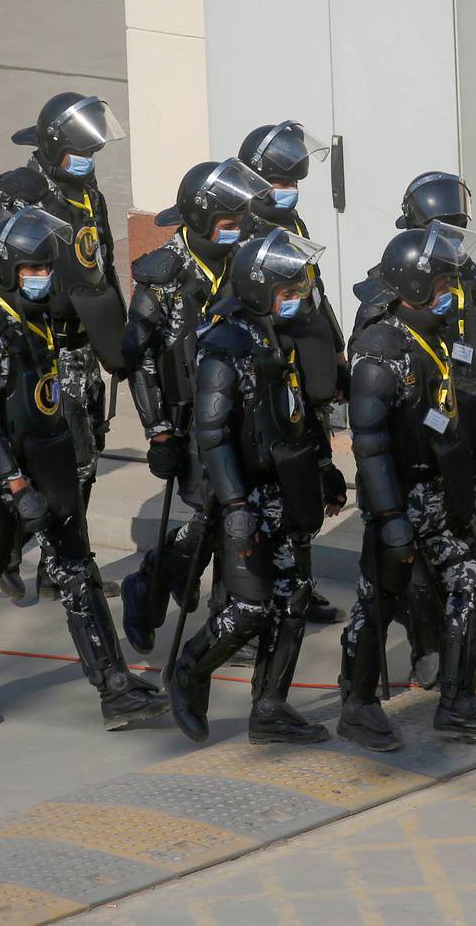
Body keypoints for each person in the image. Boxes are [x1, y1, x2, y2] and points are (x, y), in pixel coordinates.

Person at [0, 208, 167, 728]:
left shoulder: (39, 318)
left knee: (77, 575)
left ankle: (113, 686)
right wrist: (15, 485)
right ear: (6, 270)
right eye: (31, 270)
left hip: (53, 461)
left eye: (47, 268)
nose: (42, 279)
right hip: (2, 476)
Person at [337, 224, 476, 751]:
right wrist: (390, 519)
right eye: (440, 285)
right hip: (399, 497)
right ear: (412, 289)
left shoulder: (435, 335)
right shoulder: (379, 350)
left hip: (440, 491)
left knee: (473, 581)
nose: (450, 295)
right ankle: (357, 704)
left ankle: (457, 702)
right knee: (379, 599)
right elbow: (368, 445)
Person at [168, 229, 342, 745]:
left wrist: (324, 468)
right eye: (287, 292)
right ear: (260, 289)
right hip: (243, 492)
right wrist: (236, 503)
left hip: (284, 486)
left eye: (299, 291)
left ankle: (269, 707)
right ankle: (190, 672)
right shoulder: (225, 344)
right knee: (250, 607)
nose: (297, 300)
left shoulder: (280, 334)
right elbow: (212, 434)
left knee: (293, 599)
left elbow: (302, 412)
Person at [119, 159, 274, 654]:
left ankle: (230, 618)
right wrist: (158, 431)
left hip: (244, 409)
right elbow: (138, 357)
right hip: (191, 416)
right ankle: (149, 582)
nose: (240, 231)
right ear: (202, 221)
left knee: (239, 510)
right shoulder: (165, 274)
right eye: (230, 223)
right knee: (210, 518)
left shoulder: (249, 260)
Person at [0, 93, 130, 601]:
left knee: (86, 458)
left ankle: (62, 563)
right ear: (52, 144)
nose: (88, 159)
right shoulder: (21, 193)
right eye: (79, 149)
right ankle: (6, 553)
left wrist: (119, 337)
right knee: (49, 461)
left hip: (83, 348)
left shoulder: (88, 191)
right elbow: (0, 273)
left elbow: (104, 266)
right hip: (41, 351)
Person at [238, 119, 352, 626]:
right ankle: (246, 596)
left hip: (304, 365)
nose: (288, 193)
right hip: (267, 371)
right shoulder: (243, 228)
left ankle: (298, 585)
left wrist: (336, 351)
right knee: (263, 495)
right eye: (281, 183)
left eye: (293, 184)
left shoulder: (295, 225)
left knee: (306, 478)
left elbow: (315, 293)